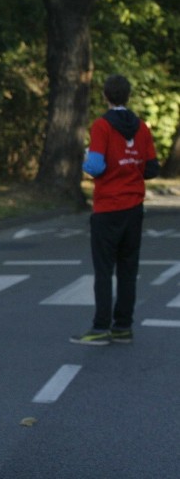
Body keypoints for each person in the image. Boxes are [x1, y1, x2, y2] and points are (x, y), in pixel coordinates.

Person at [71, 74, 160, 346]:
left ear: (106, 96)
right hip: (134, 208)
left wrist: (87, 159)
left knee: (103, 270)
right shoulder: (142, 127)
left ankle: (100, 327)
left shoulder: (102, 126)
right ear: (128, 96)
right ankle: (123, 326)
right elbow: (152, 169)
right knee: (128, 270)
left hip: (108, 207)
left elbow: (96, 166)